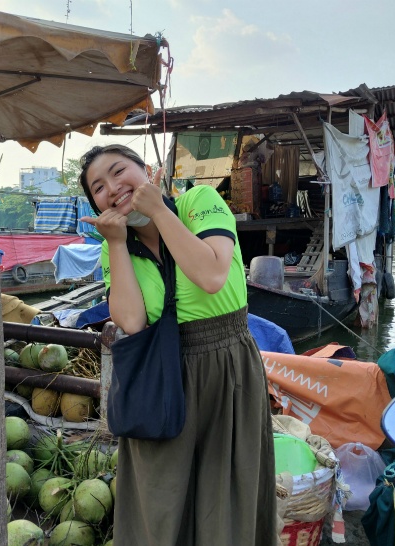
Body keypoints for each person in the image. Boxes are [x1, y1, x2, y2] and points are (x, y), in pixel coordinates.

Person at [79, 144, 279, 546]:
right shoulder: (113, 245)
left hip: (227, 367)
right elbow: (132, 321)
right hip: (160, 374)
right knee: (161, 499)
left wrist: (158, 212)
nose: (113, 188)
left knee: (226, 496)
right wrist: (117, 243)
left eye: (119, 172)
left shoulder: (198, 203)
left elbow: (211, 275)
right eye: (98, 187)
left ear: (149, 171)